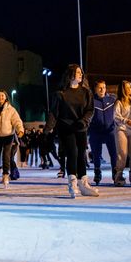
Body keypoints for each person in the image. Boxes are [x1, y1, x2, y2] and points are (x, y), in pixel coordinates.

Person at [46, 64, 98, 198]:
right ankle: (73, 183)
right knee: (72, 153)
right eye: (78, 72)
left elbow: (90, 110)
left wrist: (84, 121)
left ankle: (84, 183)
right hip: (66, 127)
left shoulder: (86, 92)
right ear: (70, 75)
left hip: (81, 127)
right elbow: (54, 112)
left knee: (81, 154)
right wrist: (48, 128)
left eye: (81, 72)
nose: (81, 74)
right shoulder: (61, 93)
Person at [89, 80, 117, 185]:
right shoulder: (91, 101)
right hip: (95, 131)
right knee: (96, 154)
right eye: (100, 88)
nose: (102, 90)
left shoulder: (112, 99)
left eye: (104, 87)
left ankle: (115, 173)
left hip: (110, 130)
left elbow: (117, 113)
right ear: (95, 89)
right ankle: (97, 172)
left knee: (113, 153)